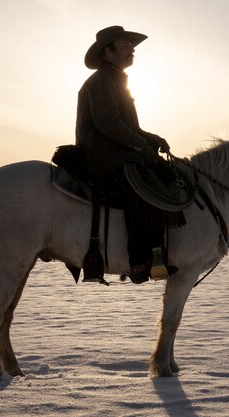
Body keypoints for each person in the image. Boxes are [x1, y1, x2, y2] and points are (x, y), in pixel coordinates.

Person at [76, 26, 172, 284]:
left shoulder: (116, 79)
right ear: (108, 52)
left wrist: (152, 139)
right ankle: (141, 260)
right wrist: (144, 149)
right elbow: (108, 123)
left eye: (132, 45)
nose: (132, 50)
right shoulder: (103, 80)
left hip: (115, 149)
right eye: (125, 45)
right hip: (102, 153)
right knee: (142, 184)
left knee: (155, 175)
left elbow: (129, 127)